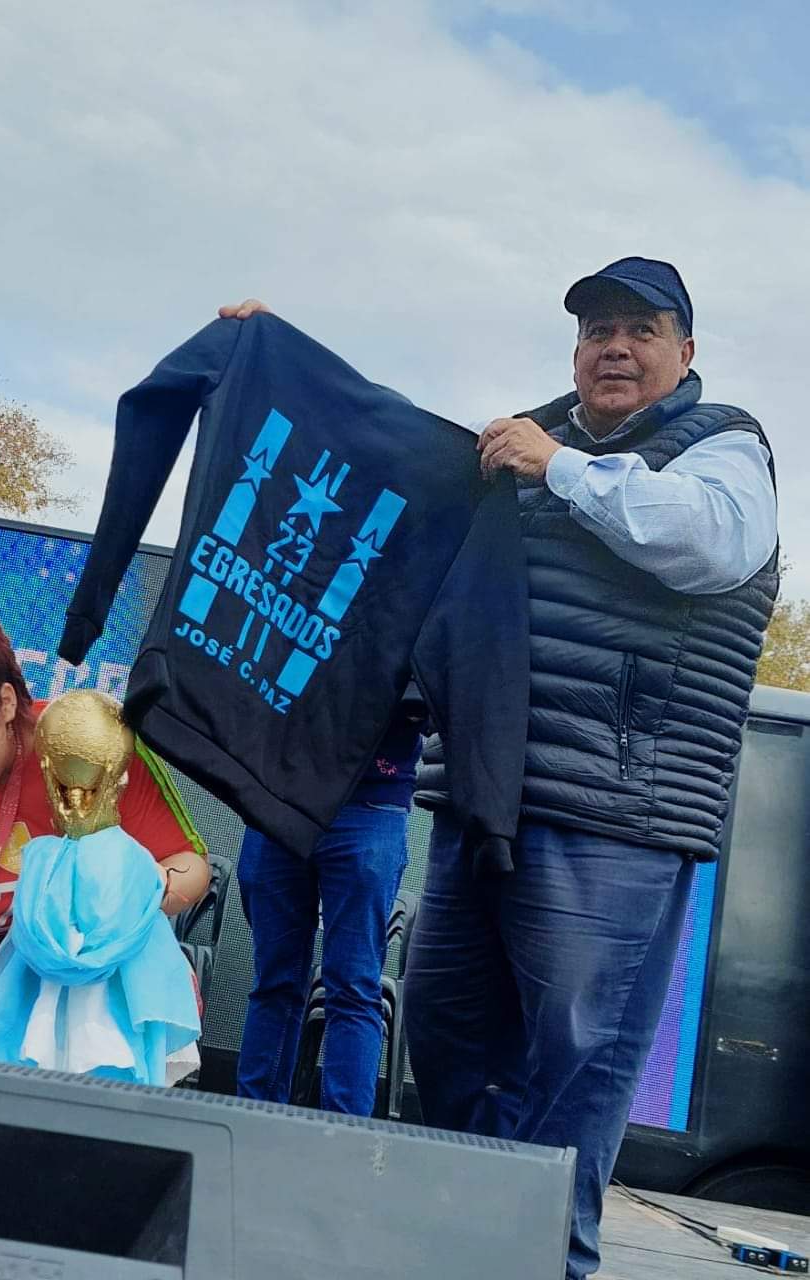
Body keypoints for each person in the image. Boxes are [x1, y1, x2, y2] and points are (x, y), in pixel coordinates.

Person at [403, 258, 778, 1279]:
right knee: (442, 1034)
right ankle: (470, 1254)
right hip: (480, 800)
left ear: (684, 353)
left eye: (638, 330)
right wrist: (273, 359)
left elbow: (705, 543)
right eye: (594, 330)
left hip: (617, 816)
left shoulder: (725, 449)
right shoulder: (517, 444)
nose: (613, 347)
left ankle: (544, 1261)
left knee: (574, 1060)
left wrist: (558, 468)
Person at [0, 583, 210, 1048]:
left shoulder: (84, 745)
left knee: (153, 986)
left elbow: (191, 866)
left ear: (6, 703)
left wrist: (134, 893)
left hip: (80, 955)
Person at [235, 701, 422, 1116]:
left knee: (352, 986)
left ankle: (345, 1141)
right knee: (276, 980)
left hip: (370, 800)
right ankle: (252, 1125)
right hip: (277, 795)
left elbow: (435, 697)